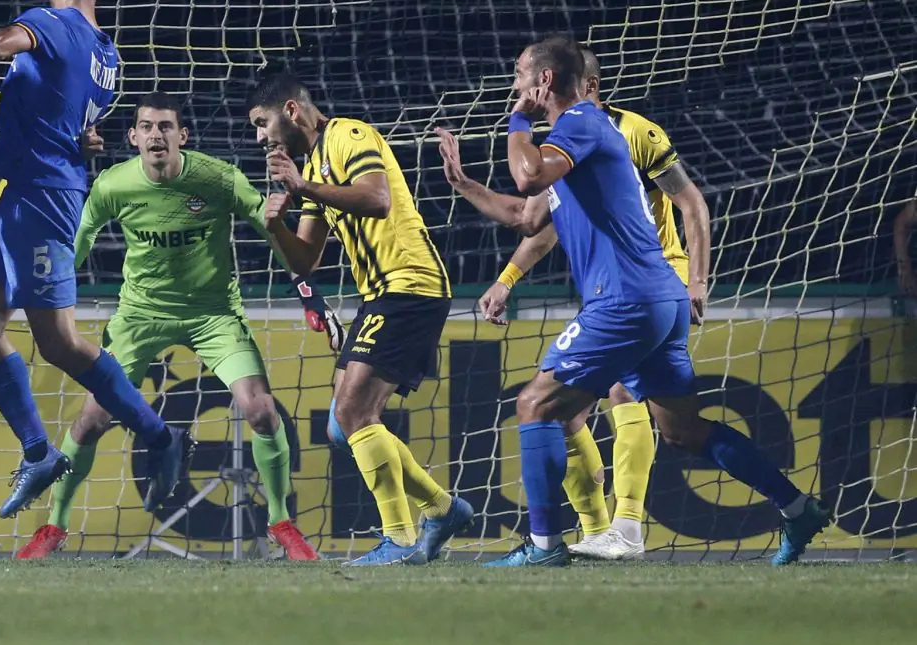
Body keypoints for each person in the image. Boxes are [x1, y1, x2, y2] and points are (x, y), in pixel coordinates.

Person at [435, 33, 830, 566]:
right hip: (658, 300)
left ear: (544, 80)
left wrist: (518, 119)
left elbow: (527, 177)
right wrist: (464, 183)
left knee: (536, 406)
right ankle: (797, 507)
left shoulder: (581, 123)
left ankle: (548, 545)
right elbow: (524, 217)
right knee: (683, 430)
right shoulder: (575, 140)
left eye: (520, 75)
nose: (515, 85)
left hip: (624, 300)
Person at [17, 93, 322, 561]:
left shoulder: (219, 179)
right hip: (140, 316)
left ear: (183, 136)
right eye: (147, 127)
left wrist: (307, 291)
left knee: (261, 411)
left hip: (213, 314)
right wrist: (44, 287)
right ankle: (54, 527)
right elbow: (79, 243)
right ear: (133, 137)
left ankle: (281, 522)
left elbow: (272, 229)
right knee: (92, 419)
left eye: (165, 127)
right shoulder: (113, 185)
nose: (156, 135)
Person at [0, 0, 189, 519]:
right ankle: (37, 451)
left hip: (44, 198)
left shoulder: (49, 23)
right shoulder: (111, 57)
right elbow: (75, 119)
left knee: (58, 342)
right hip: (25, 195)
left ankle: (159, 435)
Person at [472, 47, 713, 560]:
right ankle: (598, 528)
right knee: (568, 414)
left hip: (652, 278)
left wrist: (697, 279)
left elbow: (690, 201)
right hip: (608, 286)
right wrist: (507, 279)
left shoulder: (632, 131)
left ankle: (625, 527)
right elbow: (540, 222)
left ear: (587, 84)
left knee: (618, 393)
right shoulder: (564, 138)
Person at [248, 72, 473, 567]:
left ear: (291, 111)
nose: (260, 138)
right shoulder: (312, 166)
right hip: (380, 294)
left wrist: (304, 185)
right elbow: (305, 259)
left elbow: (378, 199)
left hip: (410, 283)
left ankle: (400, 537)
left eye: (262, 123)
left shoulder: (349, 135)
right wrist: (275, 226)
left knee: (353, 413)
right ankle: (442, 508)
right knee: (339, 424)